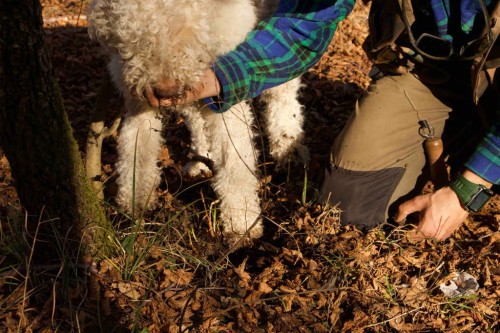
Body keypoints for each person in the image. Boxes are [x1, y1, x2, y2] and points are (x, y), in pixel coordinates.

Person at [144, 0, 499, 240]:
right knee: (350, 207)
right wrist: (218, 78)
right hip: (430, 75)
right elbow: (302, 22)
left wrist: (466, 191)